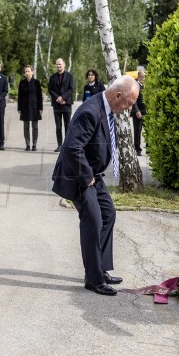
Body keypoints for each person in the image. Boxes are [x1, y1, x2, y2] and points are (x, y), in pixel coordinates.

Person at [51, 76, 139, 296]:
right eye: (129, 103)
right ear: (118, 96)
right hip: (79, 174)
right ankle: (93, 278)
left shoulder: (106, 107)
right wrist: (87, 177)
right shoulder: (90, 111)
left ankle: (100, 268)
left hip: (93, 174)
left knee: (108, 213)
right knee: (93, 219)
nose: (129, 108)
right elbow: (72, 147)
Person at [48, 57, 74, 152]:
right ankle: (59, 145)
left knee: (67, 126)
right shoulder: (52, 77)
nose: (58, 65)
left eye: (60, 64)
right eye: (57, 64)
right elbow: (50, 89)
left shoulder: (70, 76)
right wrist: (57, 98)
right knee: (58, 126)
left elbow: (71, 89)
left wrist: (63, 98)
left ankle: (67, 145)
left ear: (64, 65)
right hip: (57, 105)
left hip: (66, 104)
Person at [17, 64, 43, 151]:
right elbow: (20, 96)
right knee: (26, 126)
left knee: (35, 126)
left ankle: (34, 145)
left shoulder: (36, 82)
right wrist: (19, 108)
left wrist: (40, 108)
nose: (27, 73)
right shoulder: (22, 82)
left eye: (28, 71)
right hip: (24, 107)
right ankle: (28, 145)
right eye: (25, 72)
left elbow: (39, 96)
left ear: (32, 72)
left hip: (35, 107)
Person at [132, 70, 147, 156]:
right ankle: (138, 150)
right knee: (137, 131)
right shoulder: (135, 85)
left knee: (148, 131)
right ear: (139, 77)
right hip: (137, 112)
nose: (144, 78)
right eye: (143, 77)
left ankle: (149, 149)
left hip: (146, 111)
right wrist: (137, 110)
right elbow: (133, 100)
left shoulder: (146, 85)